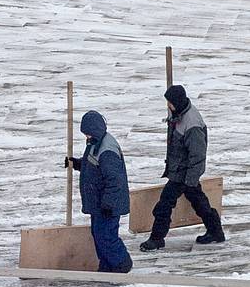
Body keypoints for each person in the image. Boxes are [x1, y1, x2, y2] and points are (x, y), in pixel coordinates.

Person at [140, 84, 225, 251]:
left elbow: (198, 155)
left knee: (164, 205)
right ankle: (216, 231)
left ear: (177, 102)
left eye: (169, 103)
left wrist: (190, 179)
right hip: (182, 171)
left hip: (184, 173)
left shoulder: (192, 123)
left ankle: (157, 238)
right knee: (199, 202)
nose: (168, 106)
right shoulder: (179, 113)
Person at [66, 110, 133, 274]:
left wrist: (108, 203)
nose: (86, 137)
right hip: (99, 202)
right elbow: (93, 168)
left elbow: (115, 180)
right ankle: (106, 265)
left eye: (87, 133)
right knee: (98, 235)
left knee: (106, 236)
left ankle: (121, 263)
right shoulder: (95, 143)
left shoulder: (107, 150)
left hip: (108, 204)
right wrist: (77, 164)